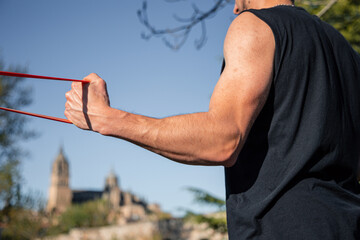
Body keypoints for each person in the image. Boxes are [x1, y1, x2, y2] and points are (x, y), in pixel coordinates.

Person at [65, 0, 360, 239]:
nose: (234, 7)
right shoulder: (346, 53)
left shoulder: (254, 25)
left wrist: (107, 119)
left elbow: (223, 139)